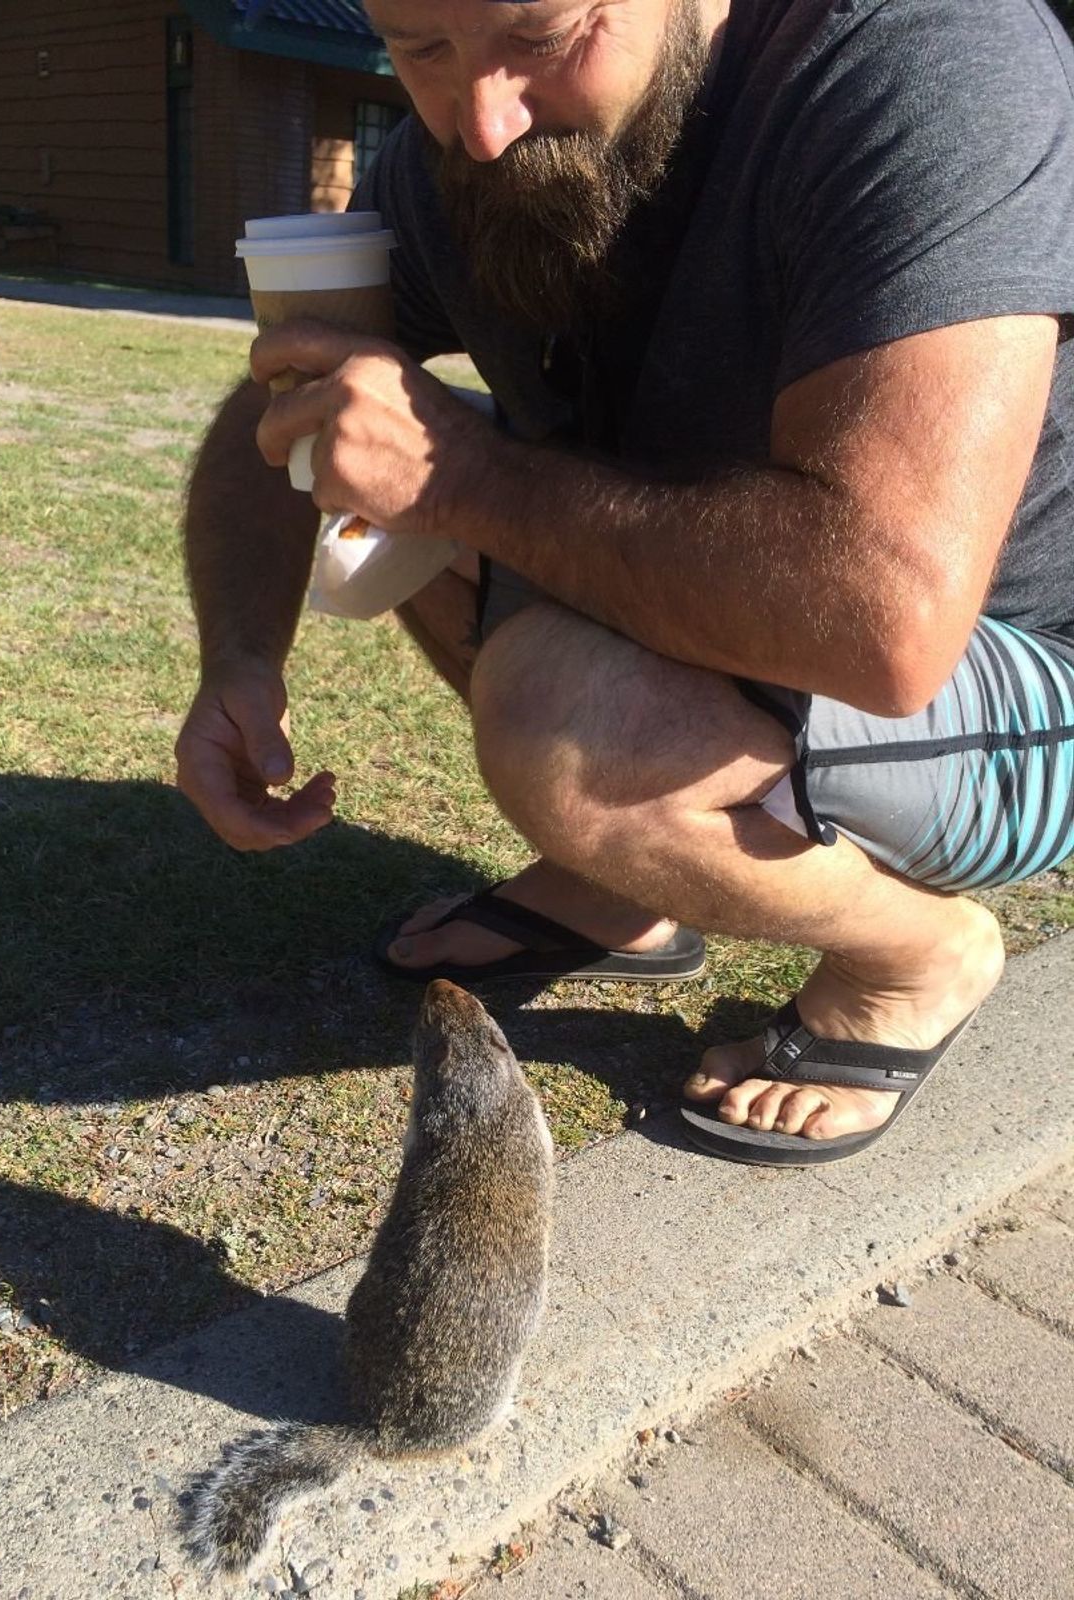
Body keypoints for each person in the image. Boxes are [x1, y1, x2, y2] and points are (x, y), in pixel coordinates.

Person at [176, 0, 1074, 1165]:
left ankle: (914, 950)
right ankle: (619, 891)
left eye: (543, 37)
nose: (481, 123)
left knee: (566, 713)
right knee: (379, 470)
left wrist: (460, 474)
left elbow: (886, 621)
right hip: (758, 603)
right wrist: (242, 650)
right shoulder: (443, 155)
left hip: (1014, 687)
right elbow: (292, 401)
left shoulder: (924, 58)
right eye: (420, 49)